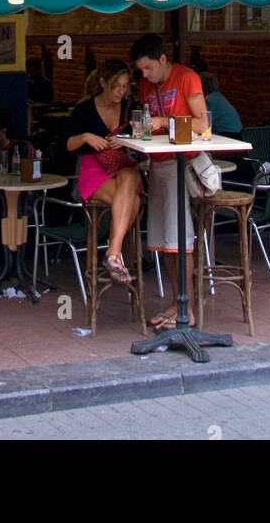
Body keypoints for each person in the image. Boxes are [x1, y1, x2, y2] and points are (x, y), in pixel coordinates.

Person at [131, 33, 207, 330]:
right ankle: (177, 303)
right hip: (157, 166)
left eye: (149, 68)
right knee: (163, 242)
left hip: (182, 164)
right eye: (141, 71)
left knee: (180, 239)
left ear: (163, 60)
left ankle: (186, 308)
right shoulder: (145, 86)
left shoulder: (186, 78)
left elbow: (204, 123)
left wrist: (166, 122)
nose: (145, 75)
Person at [65, 59, 142, 283]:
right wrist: (86, 137)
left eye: (125, 86)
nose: (121, 91)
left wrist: (126, 140)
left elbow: (143, 137)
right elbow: (66, 145)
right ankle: (115, 254)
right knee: (134, 202)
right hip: (93, 168)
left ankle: (112, 253)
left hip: (121, 165)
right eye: (116, 85)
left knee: (130, 175)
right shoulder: (85, 110)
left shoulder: (130, 108)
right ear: (102, 82)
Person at [199, 73, 242, 139]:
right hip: (238, 133)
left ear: (204, 86)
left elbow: (203, 123)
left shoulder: (209, 99)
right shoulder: (218, 96)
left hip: (228, 134)